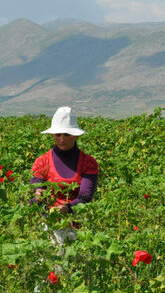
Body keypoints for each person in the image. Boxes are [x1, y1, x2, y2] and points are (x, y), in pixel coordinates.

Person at [30, 106, 99, 247]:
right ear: (52, 135)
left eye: (66, 135)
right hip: (49, 222)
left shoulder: (89, 163)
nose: (62, 139)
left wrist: (67, 208)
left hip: (77, 223)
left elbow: (85, 197)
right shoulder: (42, 162)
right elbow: (36, 188)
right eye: (58, 134)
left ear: (75, 135)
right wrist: (38, 195)